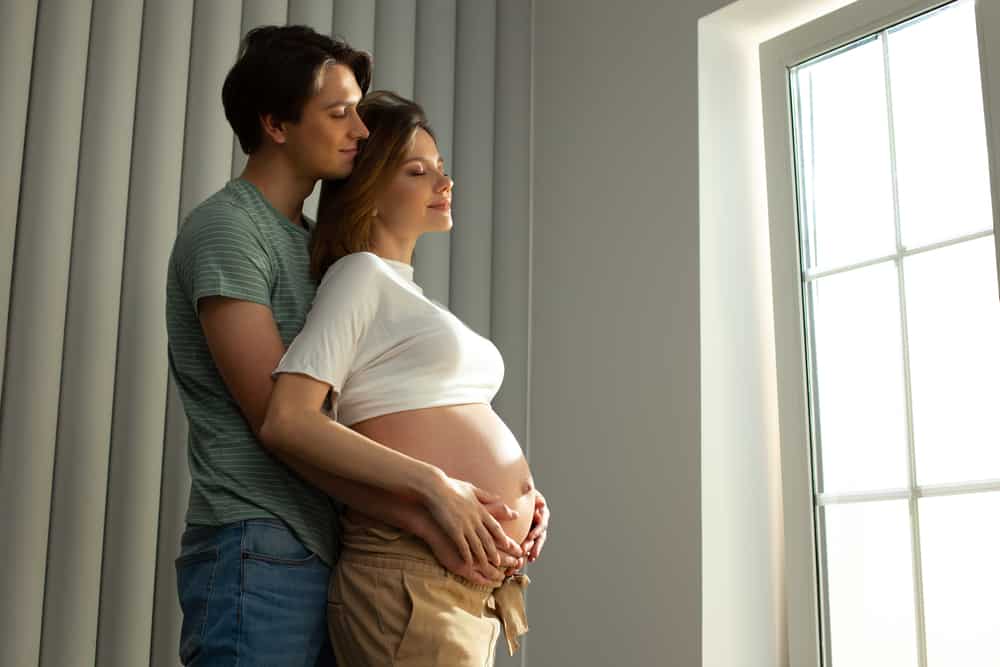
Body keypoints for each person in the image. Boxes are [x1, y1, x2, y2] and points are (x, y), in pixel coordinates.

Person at [166, 26, 531, 666]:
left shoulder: (318, 251)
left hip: (332, 541)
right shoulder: (229, 230)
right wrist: (432, 502)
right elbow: (280, 422)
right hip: (260, 538)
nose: (360, 132)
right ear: (276, 124)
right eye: (339, 114)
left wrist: (507, 505)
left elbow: (361, 412)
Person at [261, 91, 549, 666]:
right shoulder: (360, 276)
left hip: (466, 584)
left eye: (441, 170)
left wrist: (528, 502)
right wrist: (438, 486)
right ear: (368, 191)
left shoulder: (406, 297)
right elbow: (288, 420)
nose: (444, 183)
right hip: (410, 570)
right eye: (418, 171)